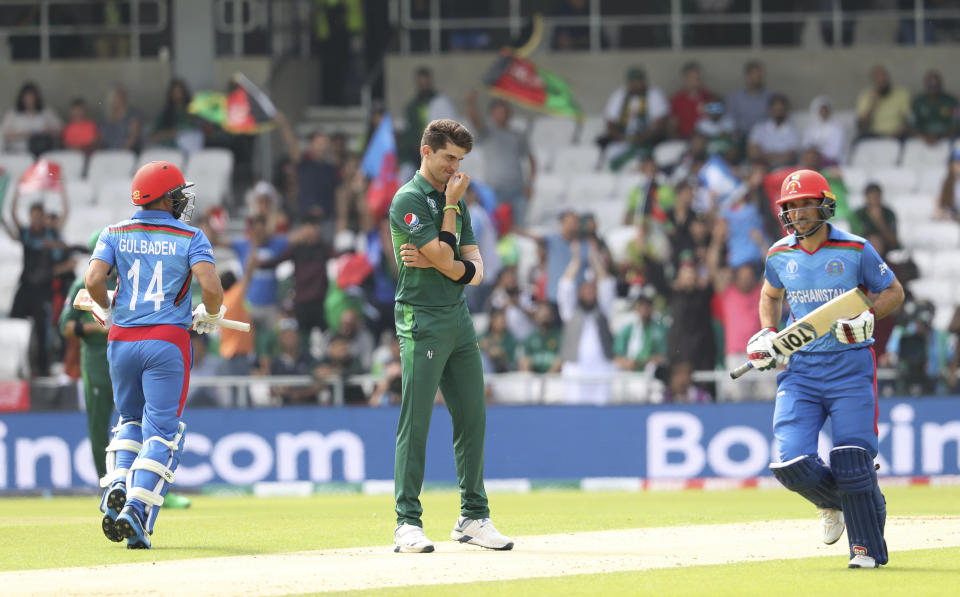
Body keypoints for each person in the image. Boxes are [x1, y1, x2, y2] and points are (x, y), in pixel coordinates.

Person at [747, 169, 905, 569]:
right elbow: (769, 294)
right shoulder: (779, 254)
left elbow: (894, 291)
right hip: (800, 370)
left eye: (804, 203)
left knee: (852, 458)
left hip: (850, 367)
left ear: (824, 204)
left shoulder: (855, 248)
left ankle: (865, 550)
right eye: (790, 206)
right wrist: (767, 333)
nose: (798, 213)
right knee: (791, 463)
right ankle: (852, 501)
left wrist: (867, 317)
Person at [84, 160, 226, 549]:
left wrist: (108, 310)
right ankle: (134, 507)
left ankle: (117, 482)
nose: (182, 199)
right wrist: (209, 316)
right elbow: (211, 289)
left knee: (129, 420)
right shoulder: (191, 236)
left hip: (121, 341)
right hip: (166, 342)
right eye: (177, 193)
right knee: (162, 432)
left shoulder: (113, 232)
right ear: (165, 197)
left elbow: (94, 281)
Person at [388, 118, 513, 553]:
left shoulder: (454, 199)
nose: (454, 168)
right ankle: (407, 522)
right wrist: (446, 243)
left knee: (473, 418)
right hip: (421, 318)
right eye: (447, 158)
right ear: (426, 151)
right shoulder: (409, 198)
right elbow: (447, 254)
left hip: (458, 318)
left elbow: (477, 270)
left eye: (459, 160)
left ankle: (473, 517)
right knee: (416, 420)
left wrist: (445, 263)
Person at [62, 228, 194, 509]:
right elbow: (66, 327)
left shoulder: (130, 280)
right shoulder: (80, 286)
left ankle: (149, 488)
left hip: (130, 355)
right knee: (103, 429)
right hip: (98, 363)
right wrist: (105, 325)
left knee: (146, 422)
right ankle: (112, 486)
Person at [2, 184, 69, 377]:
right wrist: (16, 192)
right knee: (14, 323)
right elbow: (13, 215)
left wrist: (61, 189)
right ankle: (17, 365)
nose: (36, 219)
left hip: (44, 289)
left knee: (42, 329)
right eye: (33, 215)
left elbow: (63, 235)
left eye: (39, 215)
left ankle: (42, 368)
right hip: (26, 286)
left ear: (42, 216)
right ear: (30, 216)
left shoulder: (51, 234)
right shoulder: (26, 234)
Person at [463, 91, 536, 227]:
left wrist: (530, 184)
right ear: (492, 114)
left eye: (505, 112)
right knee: (497, 227)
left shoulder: (517, 134)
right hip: (495, 191)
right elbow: (474, 120)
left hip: (518, 190)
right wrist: (470, 103)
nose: (502, 115)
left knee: (519, 227)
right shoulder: (487, 132)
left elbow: (531, 159)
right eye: (499, 112)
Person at [601, 66, 669, 171]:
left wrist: (641, 138)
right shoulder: (619, 94)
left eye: (638, 82)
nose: (635, 85)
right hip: (623, 137)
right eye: (632, 82)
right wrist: (621, 138)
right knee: (602, 143)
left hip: (647, 138)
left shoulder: (654, 94)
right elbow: (610, 122)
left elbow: (661, 122)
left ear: (644, 81)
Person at [1, 82, 62, 154]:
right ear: (22, 98)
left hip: (43, 152)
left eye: (32, 97)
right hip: (17, 152)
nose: (29, 100)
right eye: (27, 97)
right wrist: (25, 135)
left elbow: (60, 130)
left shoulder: (46, 112)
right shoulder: (13, 114)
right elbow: (4, 135)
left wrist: (44, 132)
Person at [855, 65, 911, 139]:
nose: (882, 83)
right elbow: (861, 127)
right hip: (875, 135)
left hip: (897, 134)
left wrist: (902, 129)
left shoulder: (901, 94)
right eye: (879, 81)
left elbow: (909, 119)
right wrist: (872, 106)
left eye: (884, 80)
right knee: (858, 140)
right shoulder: (865, 96)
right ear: (874, 82)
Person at [150, 78, 204, 152]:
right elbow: (154, 134)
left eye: (179, 91)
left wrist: (177, 132)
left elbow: (196, 127)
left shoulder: (192, 109)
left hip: (190, 145)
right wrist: (167, 134)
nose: (177, 94)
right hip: (169, 148)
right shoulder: (166, 112)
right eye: (175, 92)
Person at [748, 94, 800, 169]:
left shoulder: (793, 131)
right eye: (776, 109)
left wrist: (765, 156)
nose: (778, 112)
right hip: (762, 167)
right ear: (770, 110)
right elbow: (753, 153)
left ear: (786, 110)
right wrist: (777, 156)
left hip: (784, 168)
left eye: (781, 109)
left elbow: (791, 155)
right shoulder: (759, 128)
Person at [726, 61, 773, 138]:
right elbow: (729, 119)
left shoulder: (770, 97)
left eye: (760, 75)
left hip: (764, 137)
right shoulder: (735, 97)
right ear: (747, 76)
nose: (759, 78)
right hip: (740, 135)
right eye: (756, 75)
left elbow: (773, 120)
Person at [911, 69, 958, 141]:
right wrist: (925, 137)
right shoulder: (917, 102)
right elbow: (912, 125)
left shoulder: (951, 101)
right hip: (922, 140)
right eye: (930, 84)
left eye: (936, 84)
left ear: (941, 84)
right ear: (925, 84)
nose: (933, 87)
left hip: (946, 139)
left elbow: (956, 124)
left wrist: (939, 137)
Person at [850, 183, 899, 250]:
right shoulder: (858, 214)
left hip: (886, 250)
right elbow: (854, 238)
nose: (874, 200)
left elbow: (893, 242)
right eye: (871, 197)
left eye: (876, 197)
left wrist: (879, 221)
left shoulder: (889, 214)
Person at [670, 61, 712, 140]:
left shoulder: (709, 97)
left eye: (697, 78)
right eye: (691, 78)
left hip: (706, 140)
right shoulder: (676, 100)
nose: (695, 82)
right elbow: (672, 125)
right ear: (684, 79)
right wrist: (679, 140)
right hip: (683, 140)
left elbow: (716, 122)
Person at [802, 96, 846, 167]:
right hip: (813, 159)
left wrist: (818, 153)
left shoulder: (837, 128)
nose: (823, 113)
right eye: (821, 110)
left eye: (825, 110)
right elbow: (806, 145)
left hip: (831, 160)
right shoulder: (811, 128)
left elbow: (835, 151)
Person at [100, 85, 142, 152]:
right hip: (109, 152)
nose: (121, 99)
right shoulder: (107, 118)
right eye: (117, 97)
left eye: (122, 97)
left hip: (128, 152)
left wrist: (122, 152)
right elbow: (102, 138)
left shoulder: (132, 115)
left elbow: (133, 136)